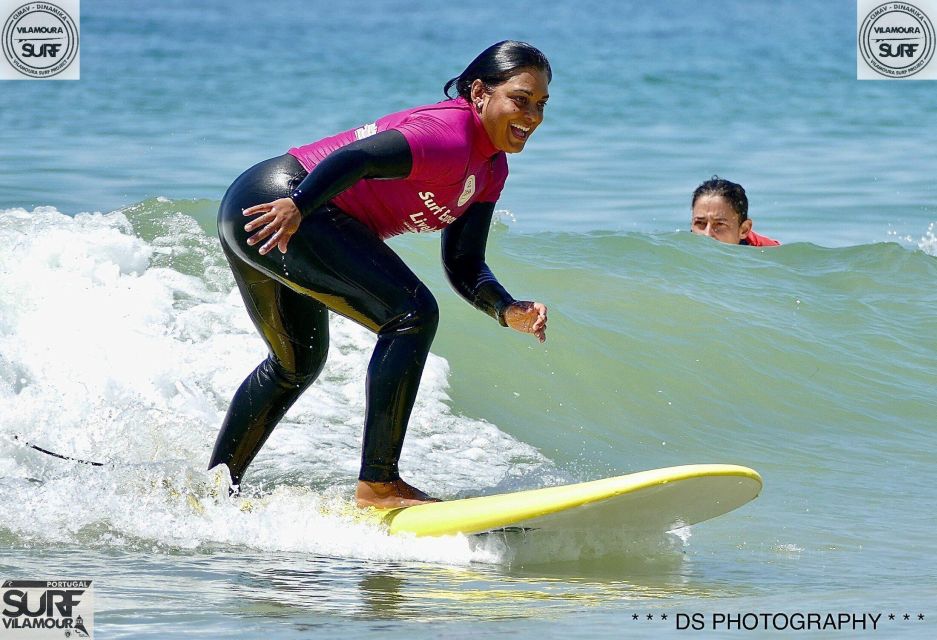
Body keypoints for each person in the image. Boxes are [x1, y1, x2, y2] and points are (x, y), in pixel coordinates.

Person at [209, 41, 551, 509]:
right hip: (282, 204)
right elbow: (360, 158)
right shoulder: (449, 135)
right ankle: (379, 485)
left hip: (258, 205)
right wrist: (300, 206)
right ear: (479, 93)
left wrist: (505, 307)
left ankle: (213, 492)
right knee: (411, 314)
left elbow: (464, 262)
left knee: (296, 363)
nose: (532, 115)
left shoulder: (490, 168)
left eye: (540, 105)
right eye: (520, 98)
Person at [690, 177, 780, 246]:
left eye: (720, 224)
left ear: (744, 230)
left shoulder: (768, 255)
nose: (707, 235)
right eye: (700, 222)